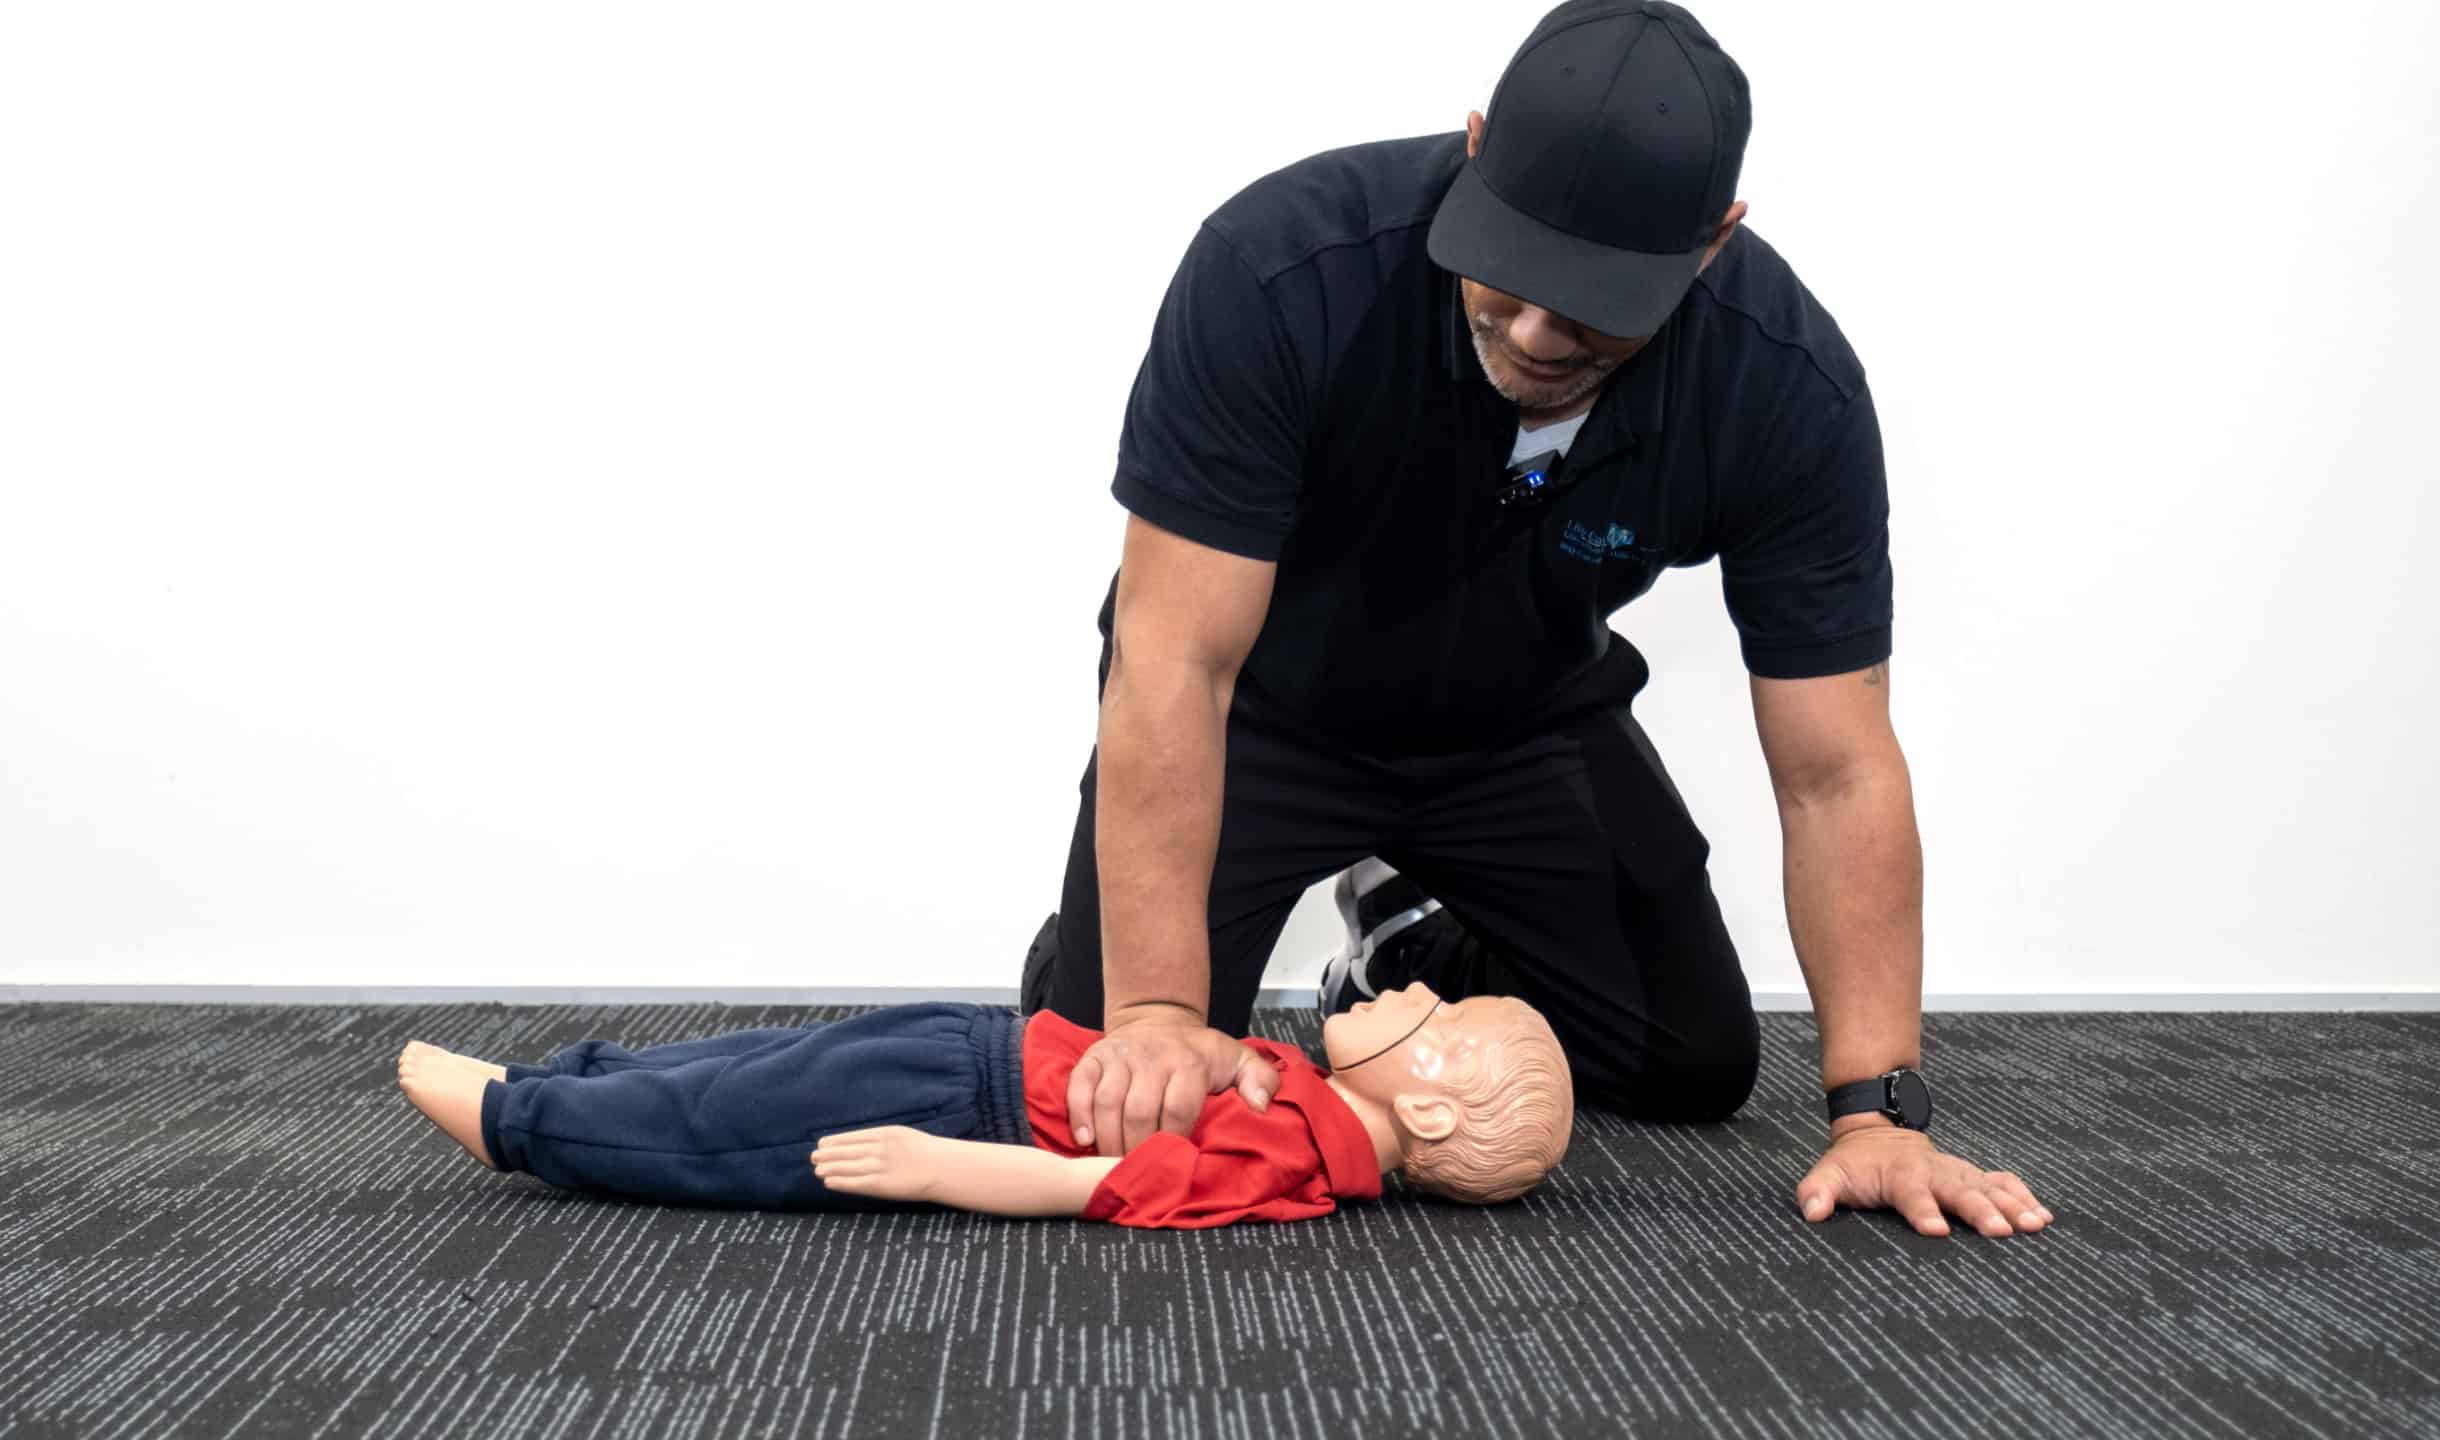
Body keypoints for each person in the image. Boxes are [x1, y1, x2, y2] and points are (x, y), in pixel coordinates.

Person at [1023, 0, 2053, 1240]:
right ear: (1473, 151)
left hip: (1518, 724)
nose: (1531, 330)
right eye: (1508, 276)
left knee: (1694, 1064)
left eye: (1594, 304)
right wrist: (1146, 1020)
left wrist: (1878, 1113)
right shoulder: (1280, 269)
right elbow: (1174, 663)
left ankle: (1408, 943)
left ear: (1713, 244)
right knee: (1100, 1088)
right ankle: (1087, 974)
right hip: (1263, 714)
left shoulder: (1782, 385)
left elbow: (1834, 771)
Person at [392, 982, 1573, 1228]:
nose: (1422, 990)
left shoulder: (1284, 1170)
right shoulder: (1295, 1090)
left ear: (1425, 1122)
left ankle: (518, 1129)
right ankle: (561, 1083)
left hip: (967, 1107)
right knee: (749, 1059)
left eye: (1448, 1027)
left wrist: (929, 1165)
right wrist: (1236, 1059)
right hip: (986, 1045)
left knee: (737, 1124)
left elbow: (1092, 1185)